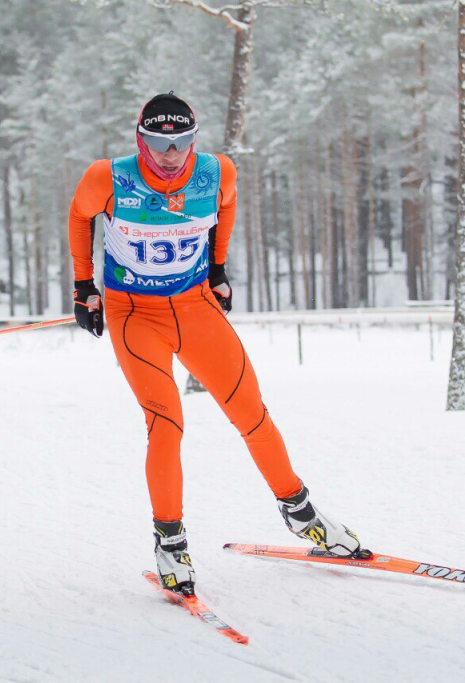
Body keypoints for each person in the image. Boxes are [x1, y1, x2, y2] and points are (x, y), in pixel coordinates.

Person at [68, 92, 370, 595]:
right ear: (139, 138)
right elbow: (80, 218)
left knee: (251, 412)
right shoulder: (108, 177)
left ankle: (301, 513)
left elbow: (226, 210)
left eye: (181, 143)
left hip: (194, 306)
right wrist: (84, 287)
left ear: (194, 140)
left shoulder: (217, 173)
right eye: (158, 143)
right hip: (134, 314)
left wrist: (217, 267)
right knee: (166, 423)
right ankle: (170, 541)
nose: (170, 154)